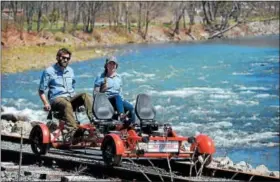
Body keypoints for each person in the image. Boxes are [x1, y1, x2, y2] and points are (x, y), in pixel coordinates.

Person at [38, 48, 94, 131]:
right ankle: (73, 129)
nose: (65, 60)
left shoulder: (70, 71)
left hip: (70, 98)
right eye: (63, 57)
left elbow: (72, 87)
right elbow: (41, 90)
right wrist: (46, 103)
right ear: (57, 57)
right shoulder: (49, 71)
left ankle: (93, 121)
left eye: (68, 58)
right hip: (57, 100)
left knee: (85, 95)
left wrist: (77, 103)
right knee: (66, 103)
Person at [93, 56, 135, 124]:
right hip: (106, 100)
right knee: (117, 96)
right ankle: (121, 115)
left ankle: (132, 126)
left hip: (118, 100)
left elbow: (120, 91)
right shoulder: (100, 77)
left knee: (131, 108)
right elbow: (95, 94)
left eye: (114, 64)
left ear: (116, 66)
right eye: (110, 64)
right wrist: (102, 91)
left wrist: (122, 100)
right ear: (106, 65)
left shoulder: (119, 77)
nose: (112, 66)